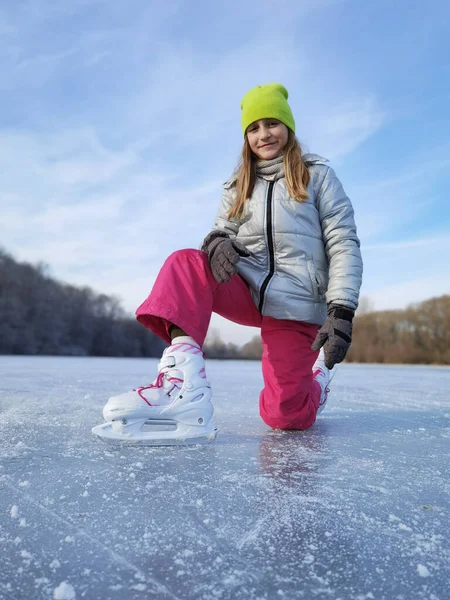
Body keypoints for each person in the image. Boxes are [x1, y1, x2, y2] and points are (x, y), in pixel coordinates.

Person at [93, 83, 363, 445]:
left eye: (272, 123)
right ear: (245, 136)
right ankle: (181, 385)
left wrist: (341, 308)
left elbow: (343, 241)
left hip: (296, 303)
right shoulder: (238, 185)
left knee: (285, 415)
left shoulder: (318, 177)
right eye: (253, 127)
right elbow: (222, 230)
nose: (263, 134)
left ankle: (317, 381)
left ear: (288, 127)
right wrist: (217, 241)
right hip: (248, 290)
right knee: (185, 262)